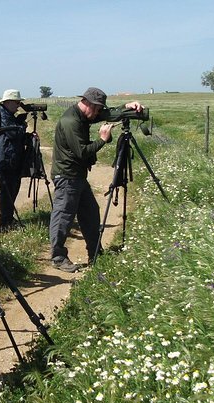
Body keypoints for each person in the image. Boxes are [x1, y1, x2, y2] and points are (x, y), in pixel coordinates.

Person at [49, 87, 144, 273]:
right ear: (89, 104)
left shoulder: (85, 115)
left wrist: (127, 106)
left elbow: (108, 114)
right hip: (67, 176)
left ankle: (95, 252)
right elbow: (82, 152)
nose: (99, 113)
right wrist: (102, 139)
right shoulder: (71, 121)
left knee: (91, 212)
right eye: (98, 109)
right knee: (63, 216)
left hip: (77, 176)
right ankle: (58, 257)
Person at [0, 89, 28, 231]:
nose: (18, 105)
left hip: (11, 158)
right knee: (6, 191)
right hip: (5, 159)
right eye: (17, 102)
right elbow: (12, 132)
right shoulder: (1, 115)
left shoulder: (8, 114)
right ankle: (5, 221)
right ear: (8, 102)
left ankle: (8, 218)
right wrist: (22, 126)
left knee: (13, 189)